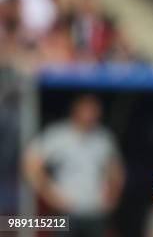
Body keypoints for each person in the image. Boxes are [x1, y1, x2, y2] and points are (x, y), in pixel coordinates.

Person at [23, 94, 125, 237]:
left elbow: (115, 169)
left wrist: (113, 196)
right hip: (67, 209)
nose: (90, 115)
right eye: (87, 110)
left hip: (95, 210)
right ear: (76, 111)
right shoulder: (59, 135)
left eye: (94, 111)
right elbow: (31, 162)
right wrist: (49, 194)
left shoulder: (103, 138)